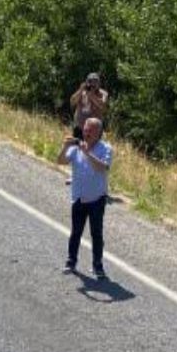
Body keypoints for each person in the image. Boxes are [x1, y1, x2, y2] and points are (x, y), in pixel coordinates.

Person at [57, 117, 112, 279]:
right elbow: (60, 161)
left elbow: (103, 167)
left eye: (91, 130)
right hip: (79, 197)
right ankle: (71, 261)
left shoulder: (105, 148)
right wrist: (65, 146)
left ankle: (97, 265)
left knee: (96, 233)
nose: (86, 132)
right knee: (76, 232)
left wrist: (87, 153)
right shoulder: (76, 147)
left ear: (99, 133)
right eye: (85, 129)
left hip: (97, 199)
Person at [69, 72, 108, 140]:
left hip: (94, 131)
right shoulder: (82, 92)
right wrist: (81, 90)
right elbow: (72, 102)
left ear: (99, 83)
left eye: (95, 82)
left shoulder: (103, 93)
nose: (92, 84)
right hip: (80, 128)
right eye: (90, 81)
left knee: (93, 150)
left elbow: (103, 107)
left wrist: (92, 96)